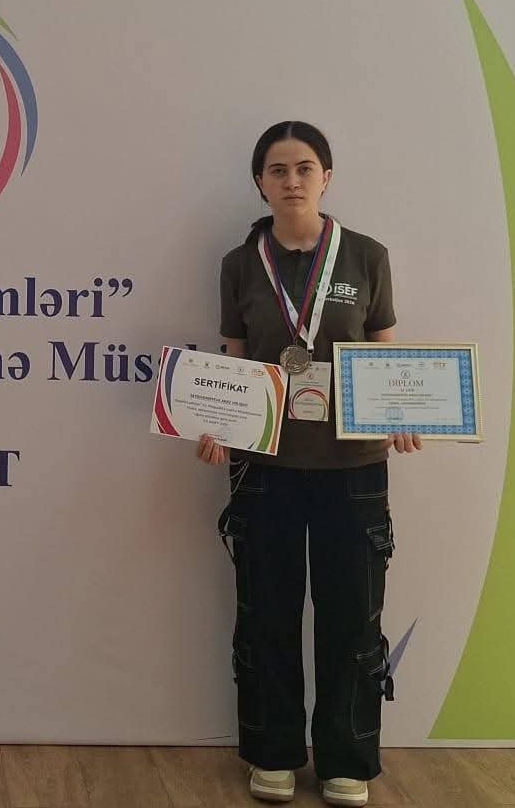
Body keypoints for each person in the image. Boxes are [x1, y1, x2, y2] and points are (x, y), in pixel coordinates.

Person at [197, 121, 422, 807]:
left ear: (326, 177)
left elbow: (383, 349)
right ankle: (271, 755)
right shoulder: (240, 264)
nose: (291, 180)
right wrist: (218, 426)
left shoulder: (367, 255)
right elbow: (234, 359)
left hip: (353, 468)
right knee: (265, 614)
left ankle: (345, 760)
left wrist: (401, 410)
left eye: (303, 168)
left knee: (351, 618)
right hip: (262, 467)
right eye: (277, 170)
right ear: (259, 183)